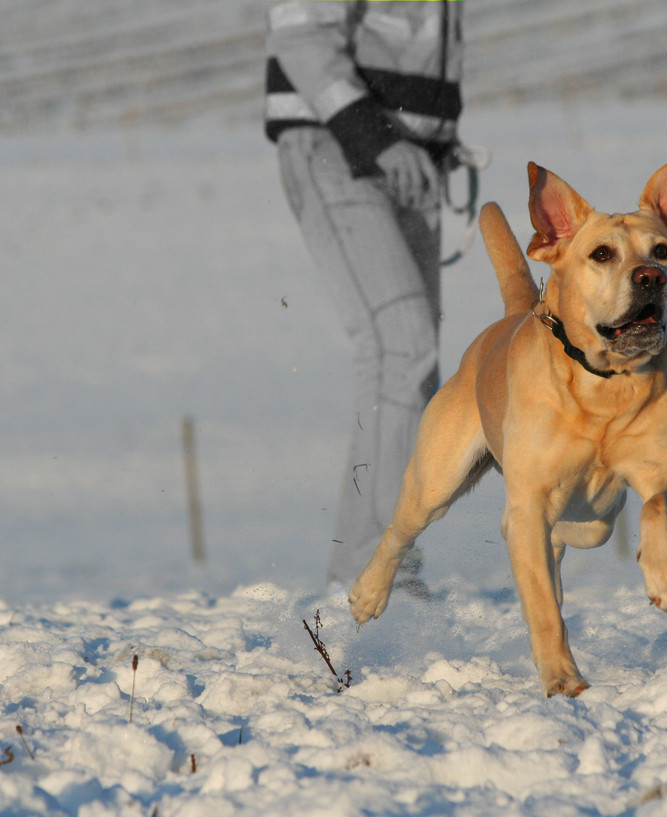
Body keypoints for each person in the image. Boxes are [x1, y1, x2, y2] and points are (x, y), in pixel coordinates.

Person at [264, 0, 464, 591]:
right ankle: (386, 575)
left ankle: (363, 580)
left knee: (407, 370)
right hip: (341, 146)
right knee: (405, 351)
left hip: (411, 161)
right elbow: (299, 35)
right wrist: (378, 139)